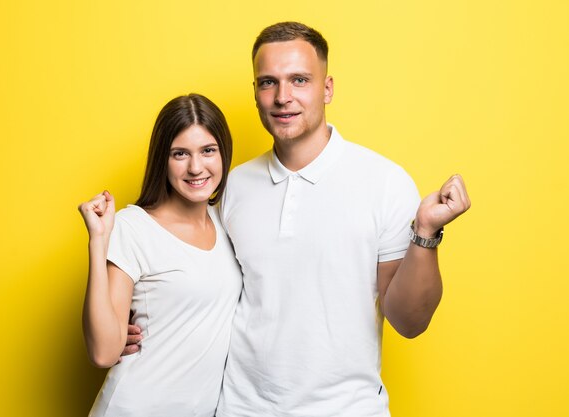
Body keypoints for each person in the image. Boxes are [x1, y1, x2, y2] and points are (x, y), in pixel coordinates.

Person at [126, 22, 471, 417]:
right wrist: (132, 322)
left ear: (327, 89)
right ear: (255, 93)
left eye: (299, 80)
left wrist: (425, 233)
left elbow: (409, 322)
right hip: (239, 408)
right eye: (268, 82)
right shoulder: (233, 185)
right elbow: (204, 278)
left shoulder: (385, 182)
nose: (282, 97)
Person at [78, 93, 242, 417]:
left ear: (223, 152)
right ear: (161, 159)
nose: (196, 167)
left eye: (208, 150)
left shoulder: (230, 223)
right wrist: (99, 241)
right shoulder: (133, 227)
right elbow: (104, 352)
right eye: (180, 154)